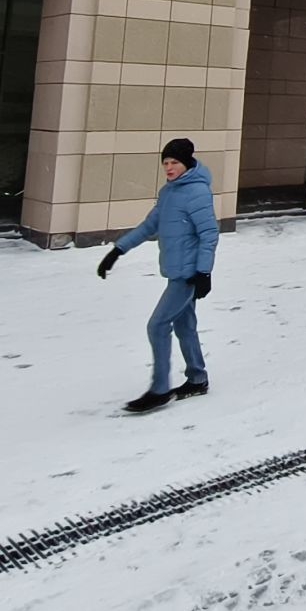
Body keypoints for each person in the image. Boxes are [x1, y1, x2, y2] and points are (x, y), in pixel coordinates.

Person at [96, 138, 219, 414]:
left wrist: (204, 272)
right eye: (165, 163)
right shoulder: (168, 193)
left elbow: (209, 234)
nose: (169, 167)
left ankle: (160, 389)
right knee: (185, 325)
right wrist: (117, 251)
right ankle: (197, 378)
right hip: (176, 270)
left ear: (186, 163)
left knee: (158, 325)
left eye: (174, 162)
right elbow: (149, 226)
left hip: (188, 274)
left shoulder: (197, 192)